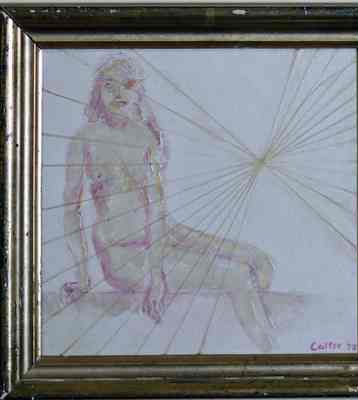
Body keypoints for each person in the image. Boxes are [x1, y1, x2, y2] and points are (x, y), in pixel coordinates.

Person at [62, 54, 276, 351]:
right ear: (97, 91)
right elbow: (70, 210)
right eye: (109, 85)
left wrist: (156, 270)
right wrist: (83, 276)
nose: (118, 92)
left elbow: (157, 208)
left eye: (128, 84)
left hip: (163, 234)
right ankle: (270, 351)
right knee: (237, 276)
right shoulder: (84, 140)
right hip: (123, 253)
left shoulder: (145, 138)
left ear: (139, 91)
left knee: (259, 260)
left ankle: (274, 345)